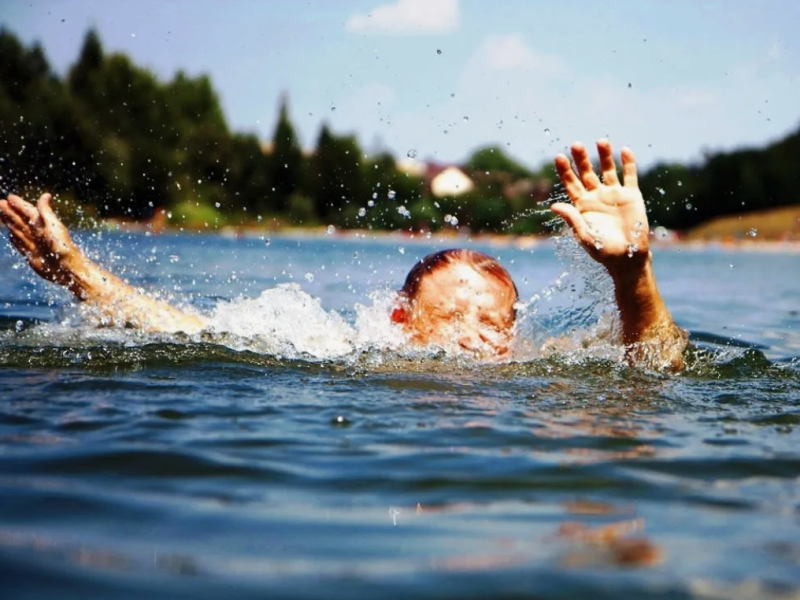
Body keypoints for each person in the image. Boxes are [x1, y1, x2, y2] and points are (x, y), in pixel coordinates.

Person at [0, 140, 687, 369]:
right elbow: (185, 331)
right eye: (454, 320)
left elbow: (659, 362)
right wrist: (78, 274)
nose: (479, 340)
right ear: (398, 322)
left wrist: (634, 275)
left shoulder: (536, 370)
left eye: (495, 325)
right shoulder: (341, 348)